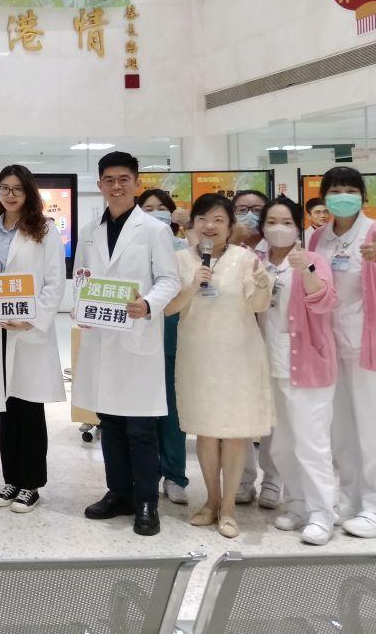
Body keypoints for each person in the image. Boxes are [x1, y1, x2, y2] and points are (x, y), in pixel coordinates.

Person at [75, 151, 179, 537]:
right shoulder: (90, 230)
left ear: (136, 183)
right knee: (110, 422)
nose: (116, 186)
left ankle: (146, 500)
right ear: (100, 185)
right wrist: (81, 307)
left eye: (123, 179)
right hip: (102, 335)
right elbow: (83, 276)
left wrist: (148, 304)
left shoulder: (154, 230)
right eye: (109, 180)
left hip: (136, 336)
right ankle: (118, 492)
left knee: (140, 426)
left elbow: (169, 280)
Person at [165, 193, 273, 538]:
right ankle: (211, 501)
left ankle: (228, 508)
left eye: (218, 220)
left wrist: (262, 285)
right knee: (206, 431)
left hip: (238, 357)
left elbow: (258, 304)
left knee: (235, 432)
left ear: (229, 226)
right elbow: (169, 308)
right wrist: (193, 286)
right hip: (198, 356)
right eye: (202, 219)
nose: (209, 226)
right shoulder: (180, 260)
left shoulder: (245, 259)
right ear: (193, 223)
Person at [0, 165, 65, 514]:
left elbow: (54, 282)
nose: (10, 195)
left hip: (27, 330)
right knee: (5, 408)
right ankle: (11, 479)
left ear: (28, 192)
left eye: (17, 189)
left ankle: (31, 484)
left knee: (28, 409)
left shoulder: (45, 231)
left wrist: (33, 319)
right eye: (4, 188)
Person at [309, 166, 376, 538]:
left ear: (363, 196)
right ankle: (351, 500)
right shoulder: (318, 237)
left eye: (350, 190)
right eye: (335, 189)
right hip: (331, 346)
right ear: (324, 197)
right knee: (340, 430)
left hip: (369, 345)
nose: (343, 196)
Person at [259, 196, 338, 545]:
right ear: (263, 227)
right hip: (271, 364)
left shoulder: (313, 260)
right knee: (281, 445)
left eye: (287, 222)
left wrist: (305, 269)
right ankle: (297, 503)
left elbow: (326, 301)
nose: (279, 229)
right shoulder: (259, 263)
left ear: (298, 226)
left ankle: (323, 513)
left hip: (308, 365)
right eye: (272, 222)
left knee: (312, 443)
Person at [137, 189, 190, 506]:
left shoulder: (184, 248)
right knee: (142, 412)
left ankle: (174, 475)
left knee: (171, 410)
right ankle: (146, 474)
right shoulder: (134, 244)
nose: (155, 213)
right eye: (147, 208)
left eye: (161, 208)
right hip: (138, 334)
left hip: (171, 332)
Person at [228, 188, 280, 508]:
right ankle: (242, 479)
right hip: (236, 340)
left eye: (257, 209)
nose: (249, 214)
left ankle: (273, 479)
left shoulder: (278, 250)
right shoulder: (225, 250)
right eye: (241, 208)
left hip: (273, 338)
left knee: (273, 412)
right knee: (239, 410)